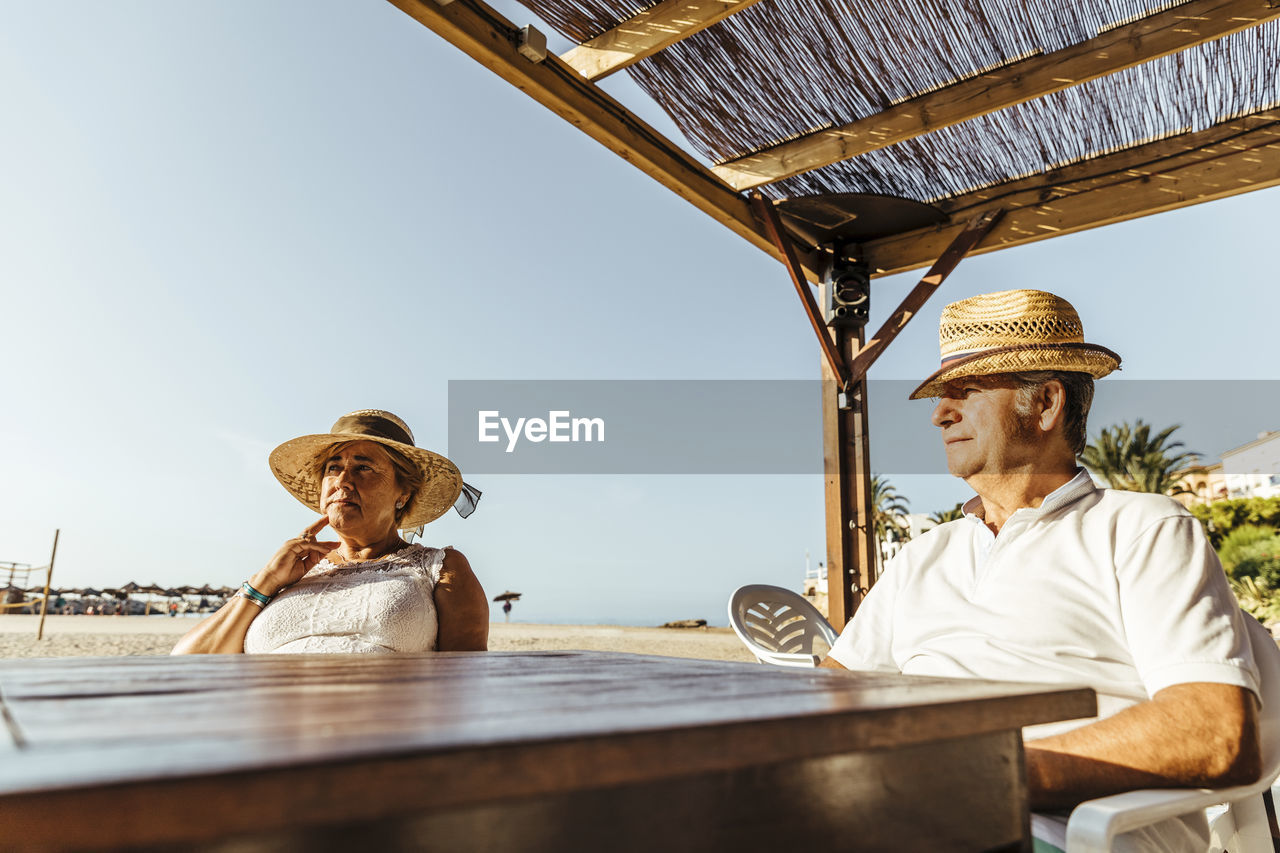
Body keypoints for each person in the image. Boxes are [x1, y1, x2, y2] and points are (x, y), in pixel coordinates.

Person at [820, 290, 1263, 853]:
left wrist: (983, 775)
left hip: (1062, 834)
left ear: (1047, 402)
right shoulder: (921, 557)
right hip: (906, 816)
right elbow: (829, 695)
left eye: (966, 390)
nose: (939, 413)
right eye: (939, 397)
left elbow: (1214, 731)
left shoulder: (1141, 529)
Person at [173, 409, 489, 654]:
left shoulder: (440, 568)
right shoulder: (289, 574)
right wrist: (266, 580)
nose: (342, 481)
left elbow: (465, 682)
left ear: (402, 493)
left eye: (364, 467)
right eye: (333, 467)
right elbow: (187, 661)